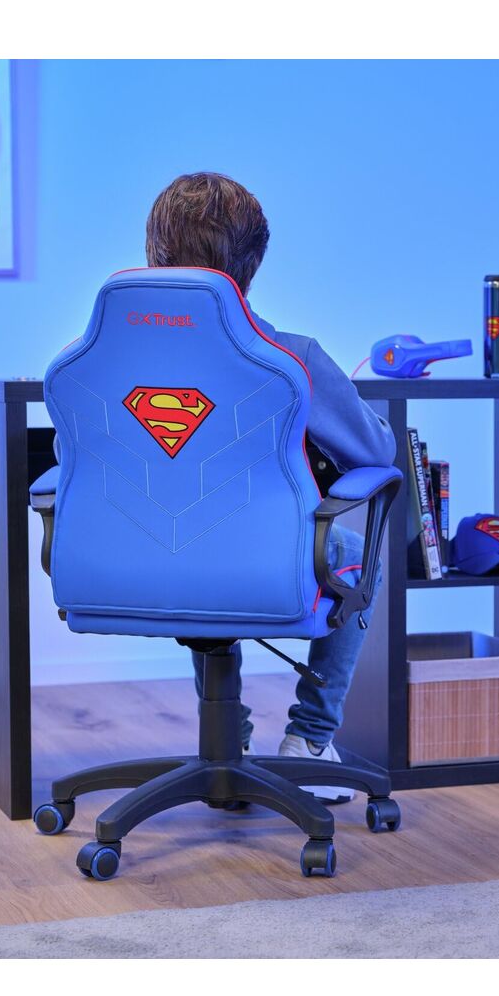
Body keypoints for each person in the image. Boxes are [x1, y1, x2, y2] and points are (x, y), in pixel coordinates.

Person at [145, 172, 396, 803]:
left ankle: (224, 739)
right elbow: (375, 453)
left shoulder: (108, 359)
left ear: (154, 255)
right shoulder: (290, 358)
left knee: (192, 535)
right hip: (262, 555)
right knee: (356, 548)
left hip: (148, 552)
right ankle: (310, 738)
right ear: (253, 264)